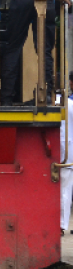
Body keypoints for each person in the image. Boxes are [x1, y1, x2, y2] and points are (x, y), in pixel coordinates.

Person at [62, 73, 73, 235]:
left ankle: (61, 224)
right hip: (68, 151)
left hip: (67, 151)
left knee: (65, 188)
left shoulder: (67, 103)